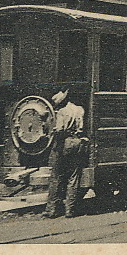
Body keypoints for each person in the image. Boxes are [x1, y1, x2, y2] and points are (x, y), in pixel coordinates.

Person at [43, 90, 87, 218]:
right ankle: (70, 210)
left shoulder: (62, 112)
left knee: (56, 177)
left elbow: (60, 129)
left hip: (65, 143)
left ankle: (51, 210)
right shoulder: (80, 109)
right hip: (78, 143)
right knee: (73, 178)